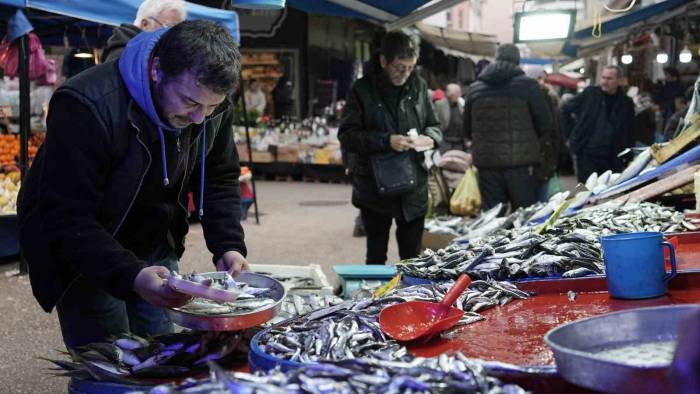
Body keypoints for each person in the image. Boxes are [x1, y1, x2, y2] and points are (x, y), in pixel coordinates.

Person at [17, 20, 248, 349]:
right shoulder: (85, 105)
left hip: (153, 239)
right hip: (84, 252)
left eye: (210, 106)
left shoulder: (212, 105)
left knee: (160, 352)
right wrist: (131, 275)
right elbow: (67, 217)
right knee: (110, 359)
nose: (199, 117)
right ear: (157, 70)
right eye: (190, 103)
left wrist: (228, 244)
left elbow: (219, 174)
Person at [339, 31, 442, 265]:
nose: (404, 74)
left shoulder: (418, 85)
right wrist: (387, 141)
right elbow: (348, 136)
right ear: (384, 61)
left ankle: (410, 301)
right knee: (375, 257)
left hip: (413, 188)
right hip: (375, 189)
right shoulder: (362, 89)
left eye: (409, 67)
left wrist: (430, 138)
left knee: (413, 260)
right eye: (399, 67)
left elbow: (435, 126)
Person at [463, 44, 555, 210]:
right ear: (518, 61)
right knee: (524, 217)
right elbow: (546, 123)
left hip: (487, 165)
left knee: (492, 219)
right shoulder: (528, 86)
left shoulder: (475, 89)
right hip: (521, 165)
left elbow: (467, 129)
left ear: (495, 59)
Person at [561, 65, 635, 182]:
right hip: (586, 152)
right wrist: (572, 134)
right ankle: (581, 200)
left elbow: (630, 130)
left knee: (607, 190)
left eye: (609, 78)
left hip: (613, 155)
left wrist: (628, 155)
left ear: (619, 80)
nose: (605, 82)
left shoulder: (626, 102)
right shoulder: (590, 93)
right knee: (583, 188)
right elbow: (565, 109)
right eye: (603, 77)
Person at [101, 0, 187, 63]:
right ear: (145, 24)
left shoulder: (144, 54)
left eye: (177, 31)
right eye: (168, 28)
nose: (174, 36)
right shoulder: (125, 57)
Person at [434, 83, 465, 152]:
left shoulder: (461, 104)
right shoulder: (440, 104)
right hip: (445, 141)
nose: (458, 95)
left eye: (459, 93)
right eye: (456, 93)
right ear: (449, 94)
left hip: (459, 142)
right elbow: (435, 120)